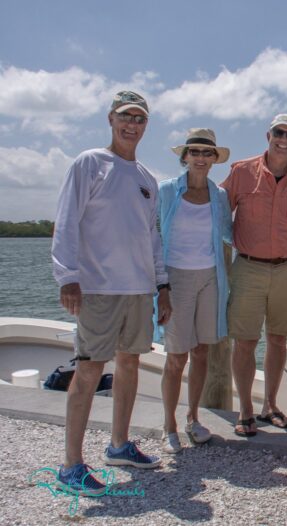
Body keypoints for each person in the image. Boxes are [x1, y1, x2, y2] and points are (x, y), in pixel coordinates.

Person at [52, 90, 168, 494]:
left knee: (130, 365)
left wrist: (162, 284)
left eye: (139, 118)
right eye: (125, 116)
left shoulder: (147, 179)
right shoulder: (89, 163)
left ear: (146, 125)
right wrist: (67, 275)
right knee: (87, 371)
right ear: (110, 119)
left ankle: (119, 444)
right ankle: (71, 465)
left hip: (139, 290)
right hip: (98, 288)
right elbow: (67, 220)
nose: (132, 124)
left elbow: (151, 239)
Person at [221, 114, 287, 435]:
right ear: (268, 135)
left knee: (278, 339)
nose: (283, 139)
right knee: (245, 341)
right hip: (249, 267)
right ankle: (245, 410)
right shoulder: (240, 172)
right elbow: (216, 215)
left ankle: (270, 405)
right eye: (279, 132)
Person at [156, 128, 233, 453]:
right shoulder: (166, 191)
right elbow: (152, 235)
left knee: (202, 351)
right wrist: (160, 285)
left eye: (207, 153)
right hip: (176, 278)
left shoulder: (220, 196)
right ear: (184, 157)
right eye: (195, 152)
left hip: (211, 278)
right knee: (176, 357)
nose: (200, 158)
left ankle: (192, 418)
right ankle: (168, 425)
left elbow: (231, 235)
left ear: (214, 159)